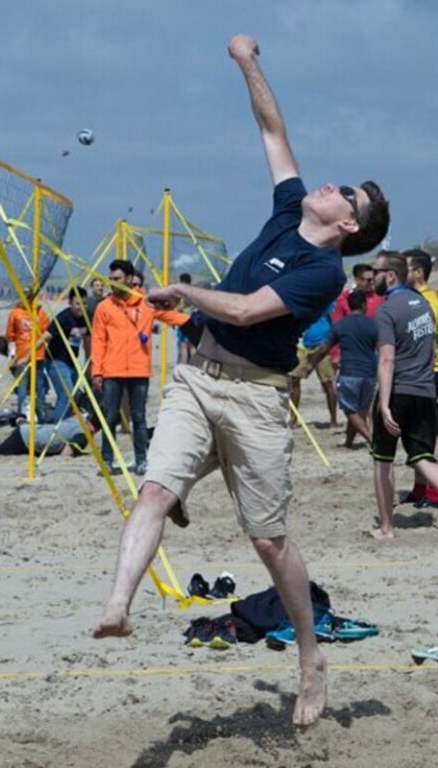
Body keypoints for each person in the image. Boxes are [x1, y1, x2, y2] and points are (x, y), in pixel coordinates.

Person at [93, 34, 390, 728]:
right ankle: (118, 608)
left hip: (257, 397)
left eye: (347, 193)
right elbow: (272, 129)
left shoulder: (323, 274)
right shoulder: (290, 211)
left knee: (268, 540)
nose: (331, 184)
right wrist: (246, 61)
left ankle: (310, 655)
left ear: (347, 224)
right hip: (199, 379)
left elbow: (252, 310)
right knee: (155, 489)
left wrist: (184, 292)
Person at [91, 259, 193, 475]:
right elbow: (99, 340)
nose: (113, 283)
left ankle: (141, 460)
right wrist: (97, 371)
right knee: (109, 418)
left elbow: (170, 316)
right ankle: (107, 461)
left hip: (139, 370)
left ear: (129, 279)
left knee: (139, 417)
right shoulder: (104, 307)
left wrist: (197, 322)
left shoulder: (145, 303)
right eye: (110, 280)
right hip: (112, 371)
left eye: (117, 279)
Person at [370, 251, 438, 540]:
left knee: (382, 460)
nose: (372, 277)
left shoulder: (387, 311)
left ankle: (387, 528)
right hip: (425, 390)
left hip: (398, 391)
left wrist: (384, 405)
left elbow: (387, 360)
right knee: (422, 457)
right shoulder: (424, 305)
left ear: (390, 275)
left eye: (376, 272)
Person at [307, 290, 378, 446]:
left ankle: (373, 440)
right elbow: (380, 347)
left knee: (350, 410)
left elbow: (324, 348)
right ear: (364, 305)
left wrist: (311, 364)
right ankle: (349, 442)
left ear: (349, 305)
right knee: (361, 410)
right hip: (370, 373)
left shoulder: (340, 325)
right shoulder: (373, 324)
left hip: (350, 372)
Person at [402, 248, 438, 506]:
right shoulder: (417, 299)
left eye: (405, 268)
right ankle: (420, 488)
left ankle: (432, 491)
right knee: (420, 433)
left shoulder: (426, 303)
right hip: (424, 374)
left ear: (418, 272)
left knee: (430, 435)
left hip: (430, 373)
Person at [288, 302, 339, 429]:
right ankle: (293, 418)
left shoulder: (327, 302)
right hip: (305, 345)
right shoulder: (305, 301)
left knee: (328, 384)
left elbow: (335, 321)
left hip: (323, 346)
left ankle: (333, 419)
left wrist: (335, 348)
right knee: (293, 378)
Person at [42, 286, 88, 423]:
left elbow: (88, 341)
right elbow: (45, 336)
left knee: (77, 395)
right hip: (55, 361)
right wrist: (27, 355)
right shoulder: (63, 318)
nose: (81, 307)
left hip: (71, 362)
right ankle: (58, 428)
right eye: (77, 304)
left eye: (84, 303)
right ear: (70, 303)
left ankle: (60, 419)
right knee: (66, 394)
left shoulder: (86, 318)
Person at [5, 289, 50, 419]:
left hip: (26, 354)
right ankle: (39, 411)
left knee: (24, 385)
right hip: (34, 353)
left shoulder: (17, 313)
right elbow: (47, 332)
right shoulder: (39, 313)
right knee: (38, 384)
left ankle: (23, 412)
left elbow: (10, 335)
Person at [176, 273, 196, 364]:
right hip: (193, 321)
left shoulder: (182, 293)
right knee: (191, 345)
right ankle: (192, 366)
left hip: (184, 321)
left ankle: (184, 367)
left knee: (183, 346)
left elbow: (179, 308)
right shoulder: (194, 292)